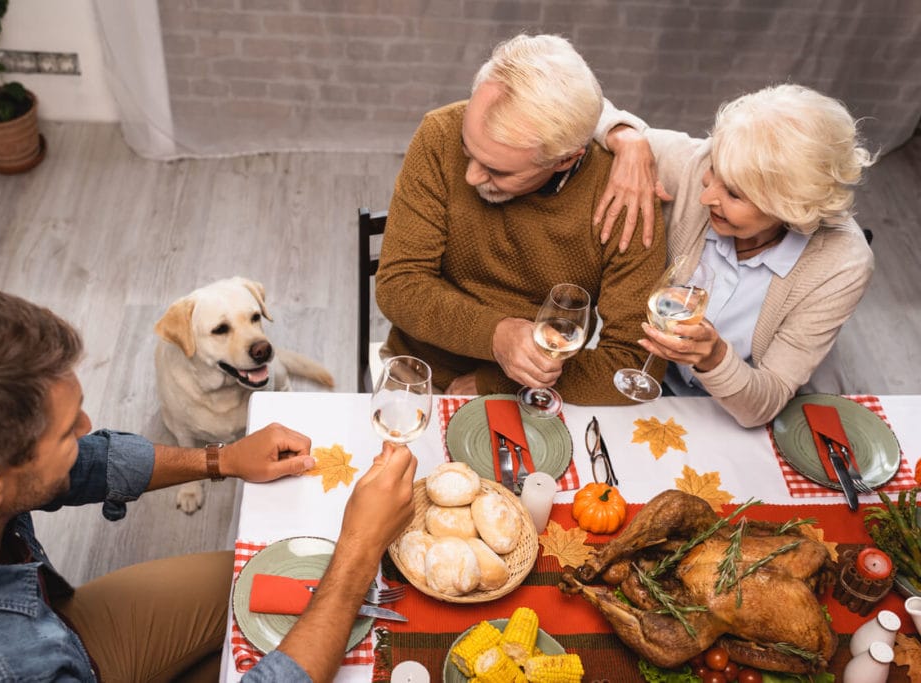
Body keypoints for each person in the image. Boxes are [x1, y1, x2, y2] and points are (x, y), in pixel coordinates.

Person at [0, 289, 416, 682]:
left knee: (268, 580)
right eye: (66, 430)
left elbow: (88, 464)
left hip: (65, 627)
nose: (87, 427)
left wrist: (223, 459)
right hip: (43, 659)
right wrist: (360, 550)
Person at [374, 33, 667, 402]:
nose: (472, 178)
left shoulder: (622, 192)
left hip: (546, 386)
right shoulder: (439, 135)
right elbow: (399, 285)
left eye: (498, 171)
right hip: (422, 372)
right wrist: (496, 336)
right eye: (468, 151)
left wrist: (500, 383)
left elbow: (634, 364)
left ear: (565, 159)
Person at [594, 84, 875, 427]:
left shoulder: (842, 263)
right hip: (639, 385)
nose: (705, 197)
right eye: (713, 175)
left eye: (733, 194)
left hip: (728, 413)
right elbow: (583, 108)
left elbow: (765, 403)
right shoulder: (695, 165)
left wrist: (714, 357)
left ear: (789, 207)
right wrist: (628, 141)